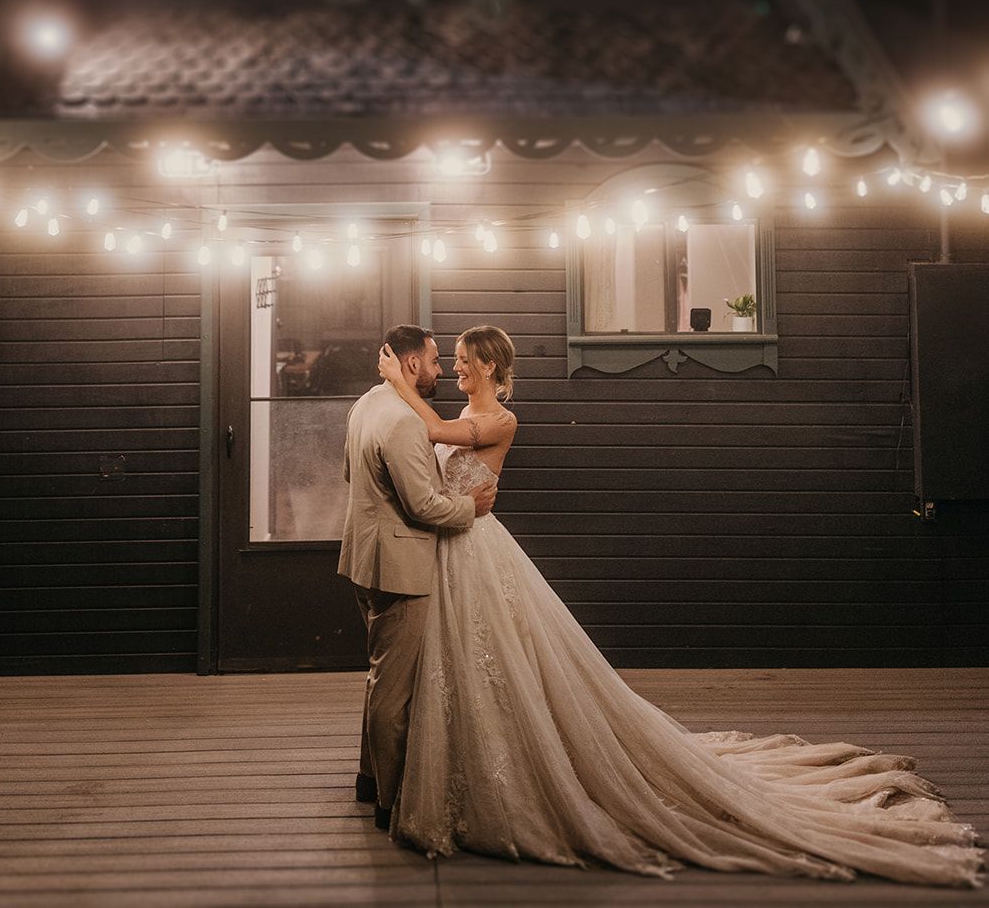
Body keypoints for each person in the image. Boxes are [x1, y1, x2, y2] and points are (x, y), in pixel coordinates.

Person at [377, 326, 983, 888]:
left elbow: (430, 433)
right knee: (475, 661)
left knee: (499, 656)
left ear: (487, 364)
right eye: (448, 360)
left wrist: (400, 385)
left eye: (460, 359)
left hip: (479, 550)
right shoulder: (464, 408)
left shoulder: (500, 419)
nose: (453, 367)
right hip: (459, 547)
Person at [337, 323, 497, 832]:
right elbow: (424, 504)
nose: (440, 371)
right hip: (400, 568)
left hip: (363, 558)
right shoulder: (405, 420)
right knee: (394, 690)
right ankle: (389, 802)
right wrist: (468, 508)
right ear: (411, 365)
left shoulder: (365, 404)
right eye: (433, 361)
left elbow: (349, 474)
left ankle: (368, 777)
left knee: (378, 673)